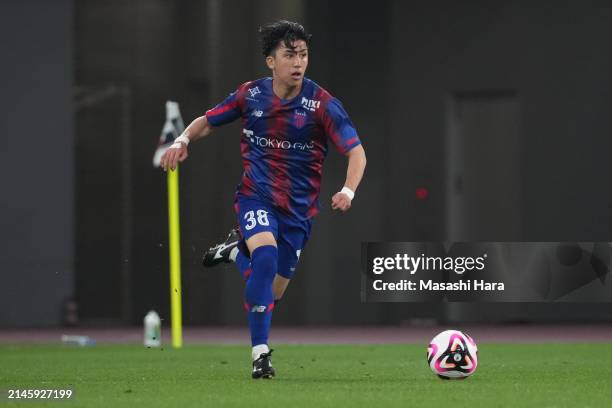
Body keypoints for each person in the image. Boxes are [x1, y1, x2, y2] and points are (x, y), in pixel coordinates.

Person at [160, 20, 366, 379]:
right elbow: (208, 121)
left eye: (303, 54)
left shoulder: (322, 104)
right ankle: (260, 355)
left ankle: (236, 252)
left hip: (299, 211)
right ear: (271, 61)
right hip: (256, 196)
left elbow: (357, 152)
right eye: (289, 55)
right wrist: (182, 141)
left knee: (272, 291)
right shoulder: (250, 95)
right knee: (266, 258)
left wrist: (348, 190)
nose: (298, 62)